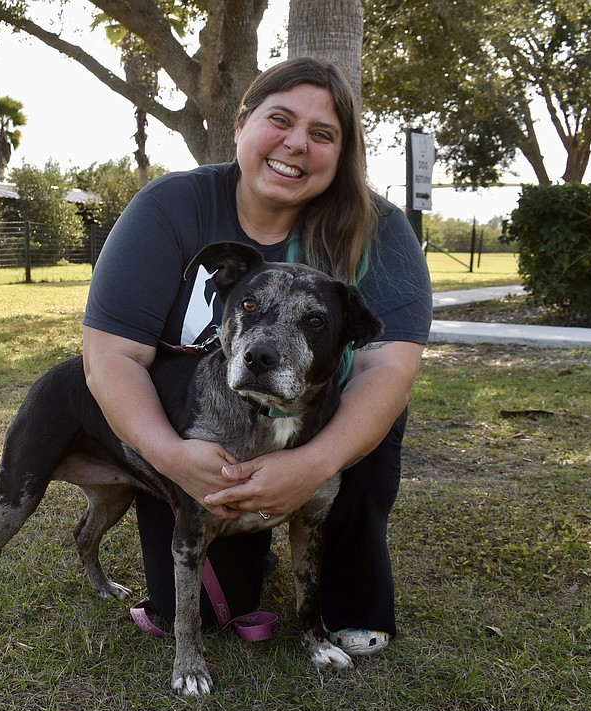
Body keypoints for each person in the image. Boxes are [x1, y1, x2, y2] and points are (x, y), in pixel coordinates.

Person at [81, 57, 433, 656]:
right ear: (242, 122)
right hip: (196, 432)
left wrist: (313, 466)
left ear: (342, 152)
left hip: (319, 424)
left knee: (371, 411)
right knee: (202, 613)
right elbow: (110, 357)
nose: (297, 143)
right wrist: (171, 456)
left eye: (323, 134)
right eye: (280, 119)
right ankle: (236, 538)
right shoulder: (170, 206)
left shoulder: (378, 228)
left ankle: (345, 568)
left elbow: (388, 368)